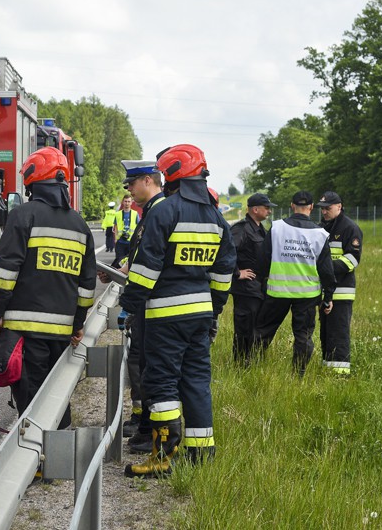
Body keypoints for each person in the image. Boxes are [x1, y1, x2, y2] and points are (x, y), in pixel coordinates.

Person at [120, 144, 235, 478]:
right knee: (197, 382)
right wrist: (213, 309)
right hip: (201, 315)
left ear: (170, 174)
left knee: (162, 383)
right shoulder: (216, 217)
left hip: (165, 316)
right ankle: (200, 455)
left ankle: (161, 457)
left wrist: (130, 305)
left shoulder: (165, 211)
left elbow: (146, 267)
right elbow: (225, 270)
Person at [0, 147, 96, 430]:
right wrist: (78, 323)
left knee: (31, 396)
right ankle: (55, 452)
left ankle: (36, 462)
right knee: (57, 394)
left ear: (33, 181)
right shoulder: (80, 225)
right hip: (62, 333)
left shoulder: (23, 215)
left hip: (25, 330)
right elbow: (87, 285)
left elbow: (6, 271)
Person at [97, 160, 164, 453]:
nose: (129, 191)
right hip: (144, 303)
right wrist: (120, 269)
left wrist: (129, 302)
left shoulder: (159, 212)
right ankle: (144, 423)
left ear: (148, 180)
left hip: (150, 304)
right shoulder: (149, 213)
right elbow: (138, 257)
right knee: (140, 363)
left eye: (132, 184)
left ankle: (149, 428)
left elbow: (151, 263)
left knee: (148, 367)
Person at [253, 191, 336, 376]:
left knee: (263, 332)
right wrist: (328, 296)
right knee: (303, 336)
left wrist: (262, 282)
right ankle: (297, 375)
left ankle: (253, 368)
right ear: (312, 207)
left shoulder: (277, 228)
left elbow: (263, 259)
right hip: (307, 295)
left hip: (277, 291)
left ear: (292, 205)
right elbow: (326, 270)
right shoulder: (320, 234)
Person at [316, 191, 362, 375]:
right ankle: (328, 371)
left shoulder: (350, 228)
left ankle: (340, 376)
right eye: (322, 209)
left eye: (328, 208)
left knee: (339, 334)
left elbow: (352, 259)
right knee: (326, 334)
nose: (324, 212)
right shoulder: (321, 228)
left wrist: (326, 268)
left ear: (339, 206)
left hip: (342, 292)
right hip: (324, 291)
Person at [230, 193, 276, 366]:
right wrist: (237, 273)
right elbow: (227, 251)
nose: (269, 211)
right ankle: (241, 364)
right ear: (255, 209)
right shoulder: (241, 229)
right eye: (266, 207)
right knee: (245, 328)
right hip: (246, 289)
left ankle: (252, 362)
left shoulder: (260, 229)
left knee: (257, 326)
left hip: (259, 287)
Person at [114, 194, 139, 263]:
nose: (127, 203)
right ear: (122, 202)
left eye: (128, 201)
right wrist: (115, 239)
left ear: (131, 202)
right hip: (120, 241)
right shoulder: (117, 214)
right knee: (119, 261)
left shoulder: (135, 214)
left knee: (130, 261)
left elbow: (138, 227)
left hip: (131, 242)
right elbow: (115, 227)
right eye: (125, 201)